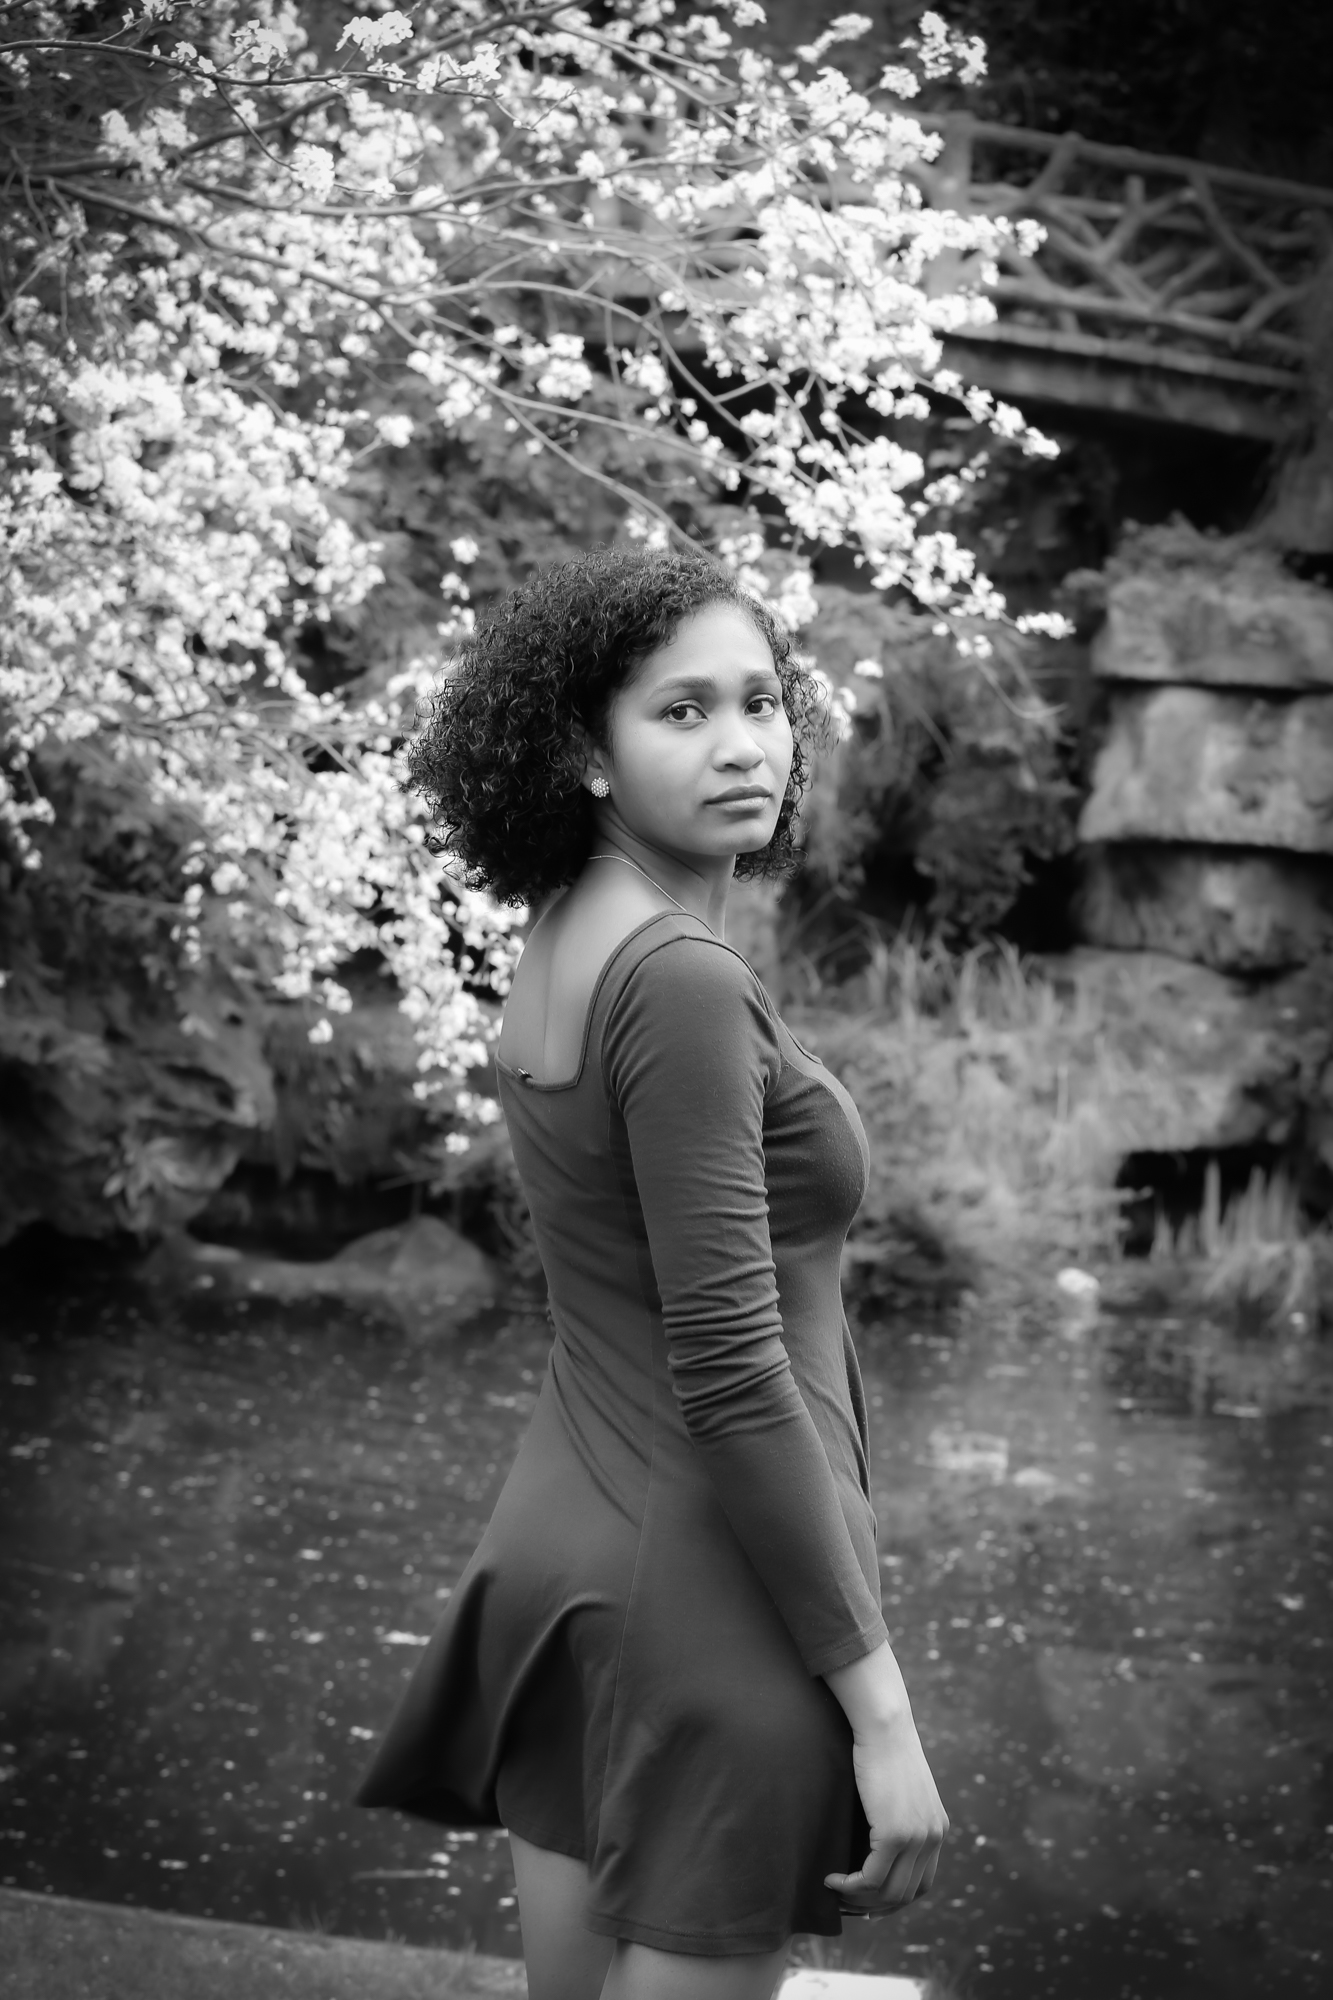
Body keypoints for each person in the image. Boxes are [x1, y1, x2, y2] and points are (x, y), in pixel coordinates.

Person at [356, 547, 948, 2000]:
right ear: (586, 754)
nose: (742, 744)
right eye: (682, 711)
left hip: (569, 1556)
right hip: (706, 1602)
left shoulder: (571, 930)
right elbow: (734, 1370)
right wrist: (878, 1710)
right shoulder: (679, 979)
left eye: (760, 702)